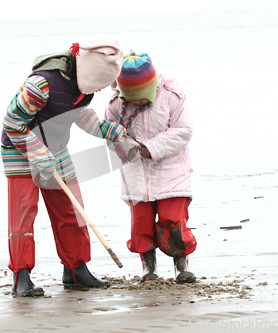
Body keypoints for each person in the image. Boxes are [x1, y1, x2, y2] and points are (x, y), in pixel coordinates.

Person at [0, 40, 126, 296]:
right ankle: (21, 277)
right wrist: (37, 154)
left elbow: (79, 114)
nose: (101, 88)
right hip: (19, 149)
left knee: (71, 209)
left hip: (56, 150)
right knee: (23, 214)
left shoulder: (82, 86)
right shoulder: (42, 84)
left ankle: (76, 270)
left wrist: (106, 130)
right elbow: (12, 121)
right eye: (100, 83)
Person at [105, 50, 197, 284]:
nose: (135, 102)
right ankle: (149, 267)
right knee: (141, 223)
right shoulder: (117, 104)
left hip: (171, 171)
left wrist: (151, 148)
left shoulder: (173, 96)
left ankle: (181, 265)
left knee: (173, 220)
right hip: (136, 174)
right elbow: (110, 135)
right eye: (131, 98)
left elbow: (183, 131)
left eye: (140, 98)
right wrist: (128, 147)